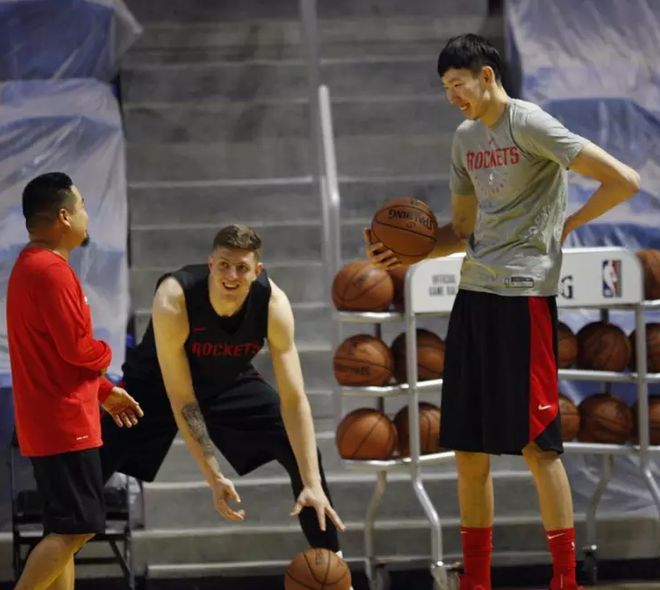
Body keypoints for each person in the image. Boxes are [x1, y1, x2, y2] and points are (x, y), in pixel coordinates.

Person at [365, 34, 640, 590]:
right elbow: (464, 230)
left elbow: (624, 180)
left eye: (457, 85)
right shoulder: (465, 139)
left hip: (524, 300)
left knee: (539, 445)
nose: (452, 97)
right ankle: (477, 580)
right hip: (474, 296)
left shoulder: (531, 123)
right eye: (445, 88)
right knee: (468, 450)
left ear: (486, 76)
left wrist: (569, 224)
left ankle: (565, 579)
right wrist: (409, 252)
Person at [101, 224, 345, 554]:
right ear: (210, 264)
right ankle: (55, 549)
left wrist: (312, 482)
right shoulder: (174, 297)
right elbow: (183, 397)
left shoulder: (273, 304)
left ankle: (332, 565)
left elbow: (294, 398)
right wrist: (214, 475)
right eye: (223, 265)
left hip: (227, 379)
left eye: (242, 268)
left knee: (303, 453)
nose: (231, 275)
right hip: (154, 386)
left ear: (257, 270)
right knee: (91, 463)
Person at [6, 172, 143, 590]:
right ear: (64, 216)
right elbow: (77, 350)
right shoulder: (51, 271)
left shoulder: (32, 266)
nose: (86, 214)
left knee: (64, 530)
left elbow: (55, 355)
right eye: (82, 206)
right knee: (75, 529)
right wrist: (107, 355)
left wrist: (102, 391)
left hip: (50, 419)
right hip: (63, 424)